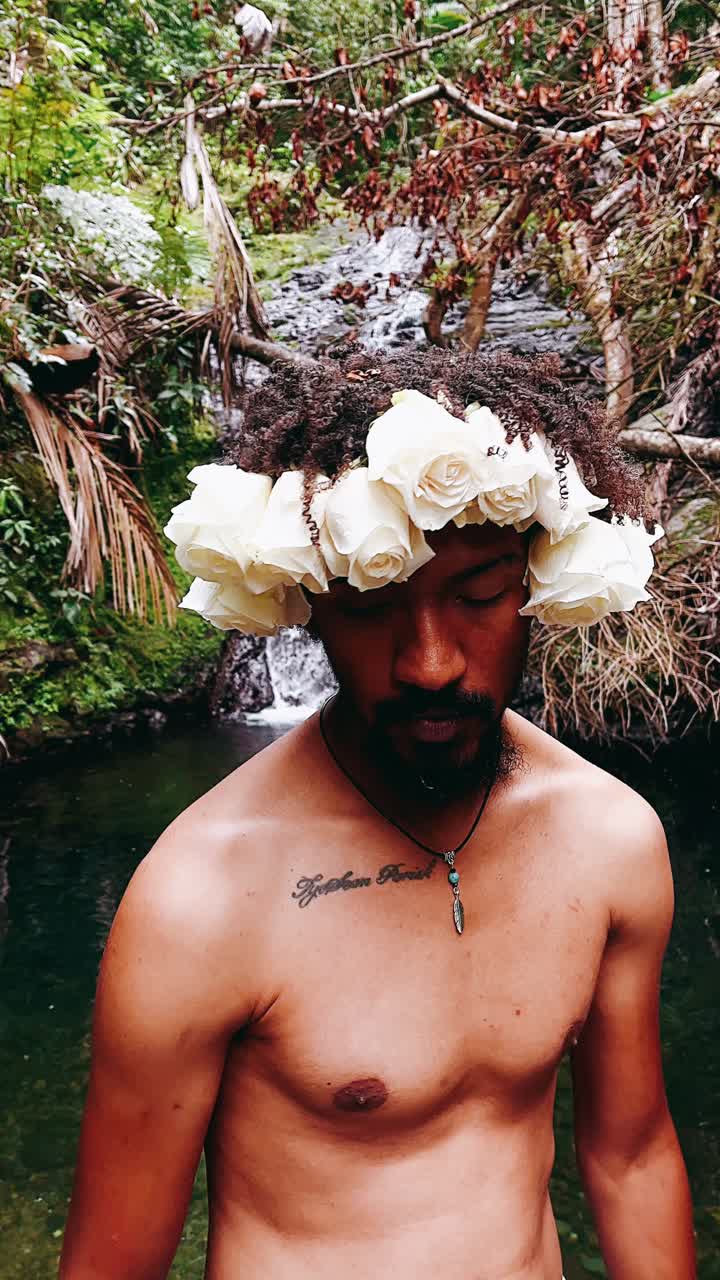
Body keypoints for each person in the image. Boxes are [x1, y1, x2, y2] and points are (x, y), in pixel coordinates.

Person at [59, 349, 696, 1280]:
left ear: (539, 582)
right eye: (368, 608)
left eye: (478, 596)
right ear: (307, 603)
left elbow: (631, 1155)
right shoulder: (202, 897)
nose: (429, 663)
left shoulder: (609, 839)